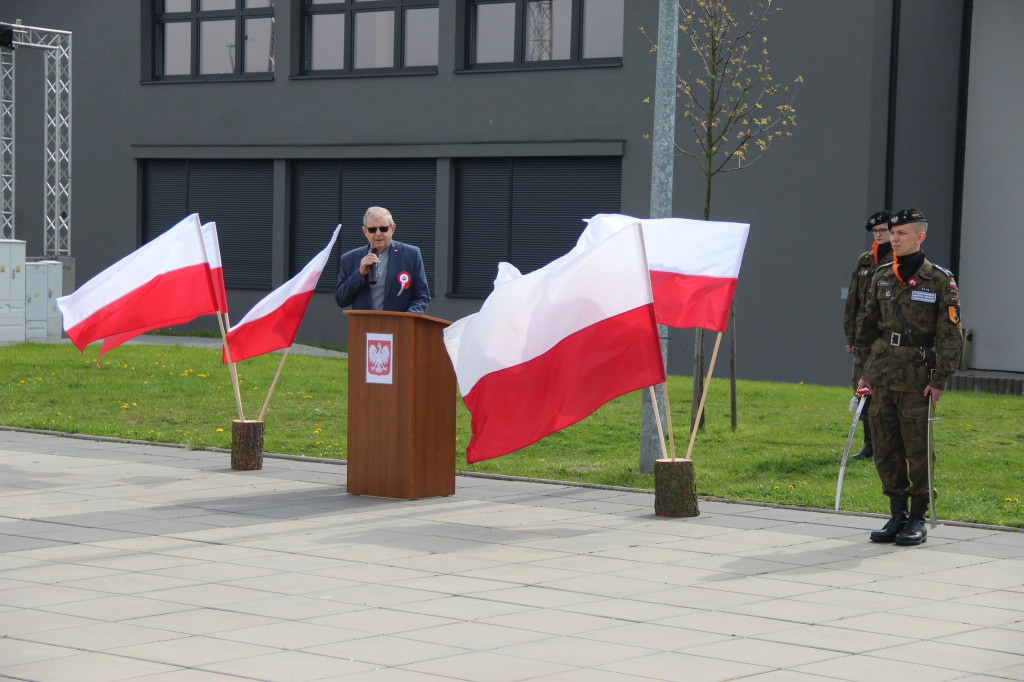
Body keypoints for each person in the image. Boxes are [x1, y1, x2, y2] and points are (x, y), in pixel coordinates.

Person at [855, 208, 962, 546]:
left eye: (901, 234)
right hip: (882, 371)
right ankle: (897, 512)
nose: (895, 238)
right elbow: (867, 329)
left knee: (917, 447)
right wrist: (864, 375)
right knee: (885, 445)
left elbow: (950, 334)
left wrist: (941, 378)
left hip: (918, 374)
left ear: (920, 236)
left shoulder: (940, 280)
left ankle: (918, 516)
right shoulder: (882, 276)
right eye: (893, 233)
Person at [843, 210, 893, 460]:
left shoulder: (900, 259)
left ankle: (887, 445)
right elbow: (853, 300)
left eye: (883, 230)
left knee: (886, 390)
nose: (879, 234)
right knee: (862, 388)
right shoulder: (864, 261)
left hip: (887, 336)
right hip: (864, 337)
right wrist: (850, 336)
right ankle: (869, 444)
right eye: (876, 232)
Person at [334, 206, 430, 314]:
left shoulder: (411, 255)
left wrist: (407, 320)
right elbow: (341, 300)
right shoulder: (350, 259)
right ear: (365, 231)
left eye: (383, 229)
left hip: (399, 326)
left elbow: (422, 297)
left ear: (393, 229)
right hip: (363, 326)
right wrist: (359, 274)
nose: (378, 234)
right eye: (372, 229)